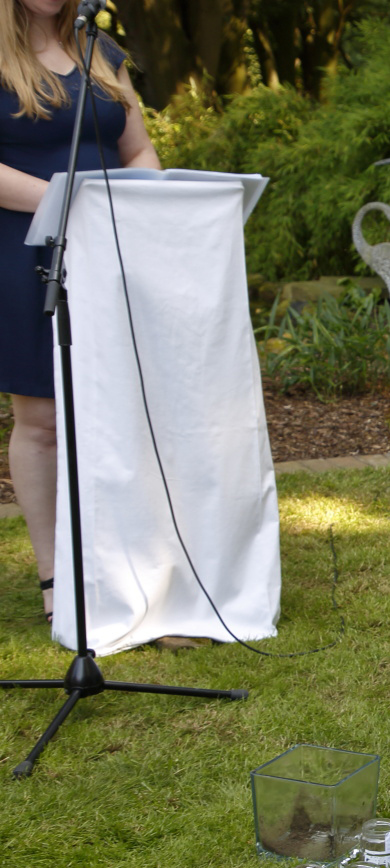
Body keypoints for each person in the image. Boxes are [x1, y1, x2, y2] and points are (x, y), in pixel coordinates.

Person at [0, 0, 158, 623]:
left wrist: (143, 206)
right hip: (24, 252)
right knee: (41, 419)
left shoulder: (103, 49)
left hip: (112, 251)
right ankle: (54, 579)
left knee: (118, 410)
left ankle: (127, 568)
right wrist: (73, 203)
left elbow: (138, 148)